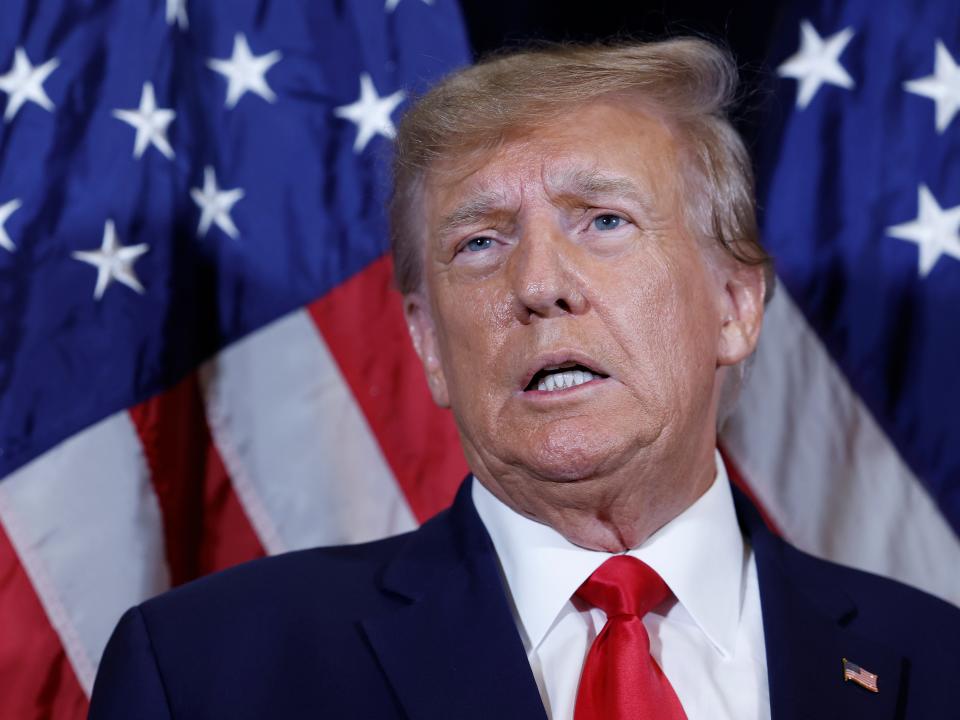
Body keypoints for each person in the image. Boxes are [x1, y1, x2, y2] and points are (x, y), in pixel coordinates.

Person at [89, 38, 959, 720]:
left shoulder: (936, 665)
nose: (539, 284)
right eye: (481, 242)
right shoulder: (210, 672)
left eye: (605, 220)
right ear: (427, 343)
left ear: (734, 306)